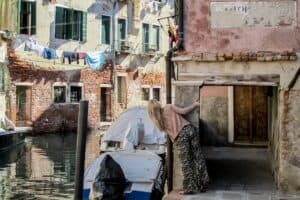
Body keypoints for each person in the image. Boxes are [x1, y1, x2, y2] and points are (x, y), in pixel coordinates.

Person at [148, 99, 209, 194]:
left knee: (186, 163)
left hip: (180, 138)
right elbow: (184, 111)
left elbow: (170, 134)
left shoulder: (159, 122)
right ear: (159, 104)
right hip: (189, 129)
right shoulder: (168, 107)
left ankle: (190, 188)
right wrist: (194, 104)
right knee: (198, 157)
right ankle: (203, 184)